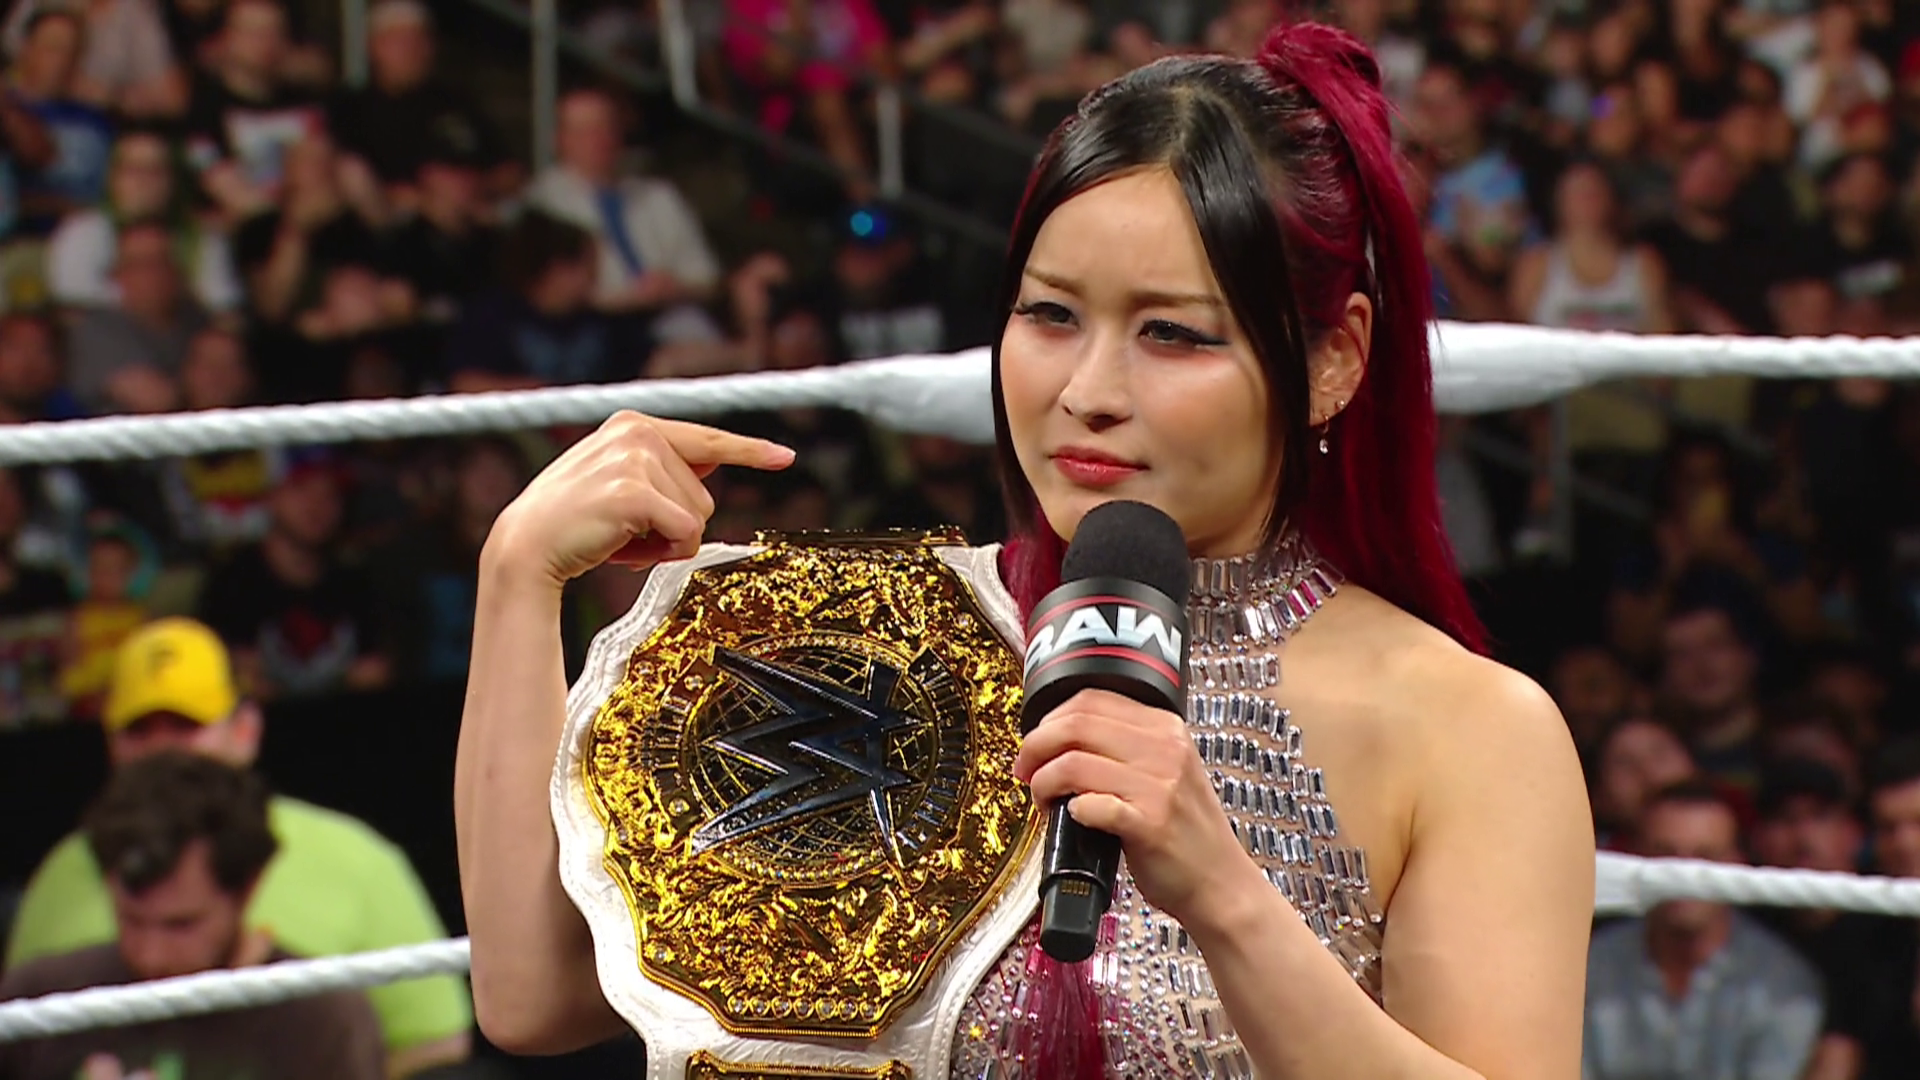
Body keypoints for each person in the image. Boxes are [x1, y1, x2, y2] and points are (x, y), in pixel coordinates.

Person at [454, 18, 1592, 1080]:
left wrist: (1227, 899)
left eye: (1173, 334)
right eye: (1050, 315)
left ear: (1333, 361)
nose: (1088, 390)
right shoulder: (857, 639)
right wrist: (518, 580)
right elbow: (535, 995)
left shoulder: (1468, 729)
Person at [6, 617, 473, 1077]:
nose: (163, 749)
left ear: (244, 729)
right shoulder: (60, 878)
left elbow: (434, 1051)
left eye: (185, 725)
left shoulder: (357, 864)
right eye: (139, 729)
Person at [0, 751, 386, 1080]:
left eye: (181, 925)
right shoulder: (42, 1000)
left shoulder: (323, 1021)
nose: (150, 955)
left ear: (248, 888)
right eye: (130, 919)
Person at [1582, 780, 1824, 1080]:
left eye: (1706, 857)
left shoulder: (1783, 984)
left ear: (1736, 865)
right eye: (1665, 855)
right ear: (1636, 859)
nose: (1684, 876)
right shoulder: (1588, 968)